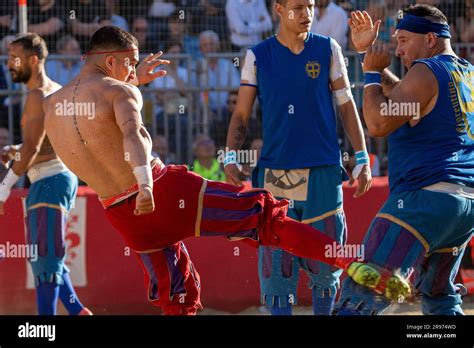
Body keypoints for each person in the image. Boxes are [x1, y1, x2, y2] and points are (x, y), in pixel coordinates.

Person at [42, 26, 409, 315]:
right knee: (265, 218)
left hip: (125, 219)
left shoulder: (53, 105)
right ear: (112, 61)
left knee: (177, 293)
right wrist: (146, 184)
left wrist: (133, 81)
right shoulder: (118, 92)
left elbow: (90, 136)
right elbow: (132, 133)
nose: (133, 71)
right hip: (161, 192)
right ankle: (348, 261)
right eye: (131, 63)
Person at [225, 0, 372, 316]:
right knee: (278, 268)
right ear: (278, 9)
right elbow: (241, 113)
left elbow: (347, 105)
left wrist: (362, 157)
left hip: (324, 170)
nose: (307, 13)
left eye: (311, 6)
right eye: (298, 7)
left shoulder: (328, 48)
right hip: (275, 173)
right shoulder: (257, 56)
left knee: (325, 265)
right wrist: (231, 155)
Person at [334, 4, 473, 315]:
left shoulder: (426, 70)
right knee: (439, 297)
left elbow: (379, 123)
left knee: (361, 292)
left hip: (423, 200)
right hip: (464, 207)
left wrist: (370, 73)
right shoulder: (466, 73)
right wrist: (369, 57)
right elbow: (407, 99)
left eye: (403, 40)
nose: (397, 50)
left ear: (430, 39)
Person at [0, 33, 91, 316]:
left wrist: (3, 190)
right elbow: (48, 145)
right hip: (57, 177)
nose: (9, 63)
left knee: (46, 259)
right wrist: (17, 150)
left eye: (15, 57)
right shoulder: (57, 91)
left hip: (50, 180)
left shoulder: (38, 95)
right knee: (46, 257)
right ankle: (77, 312)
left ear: (33, 59)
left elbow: (33, 148)